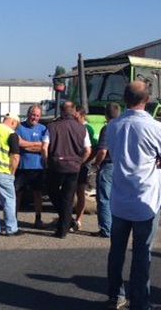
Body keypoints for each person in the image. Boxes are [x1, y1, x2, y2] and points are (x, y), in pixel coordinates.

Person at [106, 81, 161, 310]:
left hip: (119, 197)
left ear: (125, 99)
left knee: (116, 251)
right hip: (145, 198)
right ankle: (140, 302)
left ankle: (115, 296)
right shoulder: (156, 127)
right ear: (147, 100)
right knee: (142, 252)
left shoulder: (113, 126)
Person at [43, 101, 91, 239]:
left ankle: (66, 221)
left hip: (56, 166)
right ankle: (64, 228)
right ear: (74, 111)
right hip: (73, 167)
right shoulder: (82, 128)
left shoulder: (52, 126)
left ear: (61, 110)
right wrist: (80, 162)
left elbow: (44, 147)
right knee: (68, 197)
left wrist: (46, 162)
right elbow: (88, 150)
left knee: (53, 193)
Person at [16, 104, 49, 228]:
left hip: (38, 168)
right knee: (17, 193)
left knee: (37, 194)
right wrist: (36, 145)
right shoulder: (19, 127)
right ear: (28, 114)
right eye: (33, 115)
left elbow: (44, 147)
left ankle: (38, 219)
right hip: (21, 167)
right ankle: (13, 218)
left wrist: (27, 146)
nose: (34, 117)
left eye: (37, 115)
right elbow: (18, 144)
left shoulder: (43, 129)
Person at [93, 102, 121, 238]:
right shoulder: (124, 127)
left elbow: (103, 151)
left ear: (106, 114)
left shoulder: (108, 128)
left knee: (104, 198)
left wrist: (96, 164)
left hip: (108, 165)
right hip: (122, 166)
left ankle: (106, 229)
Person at [73, 106, 98, 231]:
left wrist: (85, 162)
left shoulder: (87, 129)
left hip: (82, 164)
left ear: (82, 115)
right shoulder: (74, 126)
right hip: (73, 163)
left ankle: (79, 219)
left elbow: (93, 149)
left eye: (76, 116)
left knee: (80, 191)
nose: (74, 118)